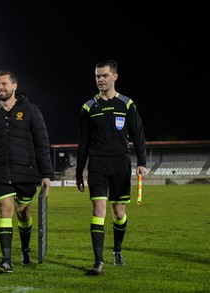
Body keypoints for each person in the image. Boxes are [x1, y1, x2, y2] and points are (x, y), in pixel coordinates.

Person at [76, 60, 147, 276]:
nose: (100, 79)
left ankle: (117, 250)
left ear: (115, 77)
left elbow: (138, 134)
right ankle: (98, 261)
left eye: (104, 75)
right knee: (98, 209)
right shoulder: (89, 107)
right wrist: (80, 171)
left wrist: (142, 162)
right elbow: (83, 142)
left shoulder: (126, 104)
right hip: (97, 163)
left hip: (120, 163)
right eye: (97, 76)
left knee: (119, 212)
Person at [0, 70, 53, 273]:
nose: (0, 88)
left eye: (4, 84)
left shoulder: (31, 110)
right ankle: (6, 260)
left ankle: (26, 250)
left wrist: (46, 174)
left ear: (14, 86)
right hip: (0, 173)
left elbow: (42, 143)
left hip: (26, 172)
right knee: (5, 209)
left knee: (23, 212)